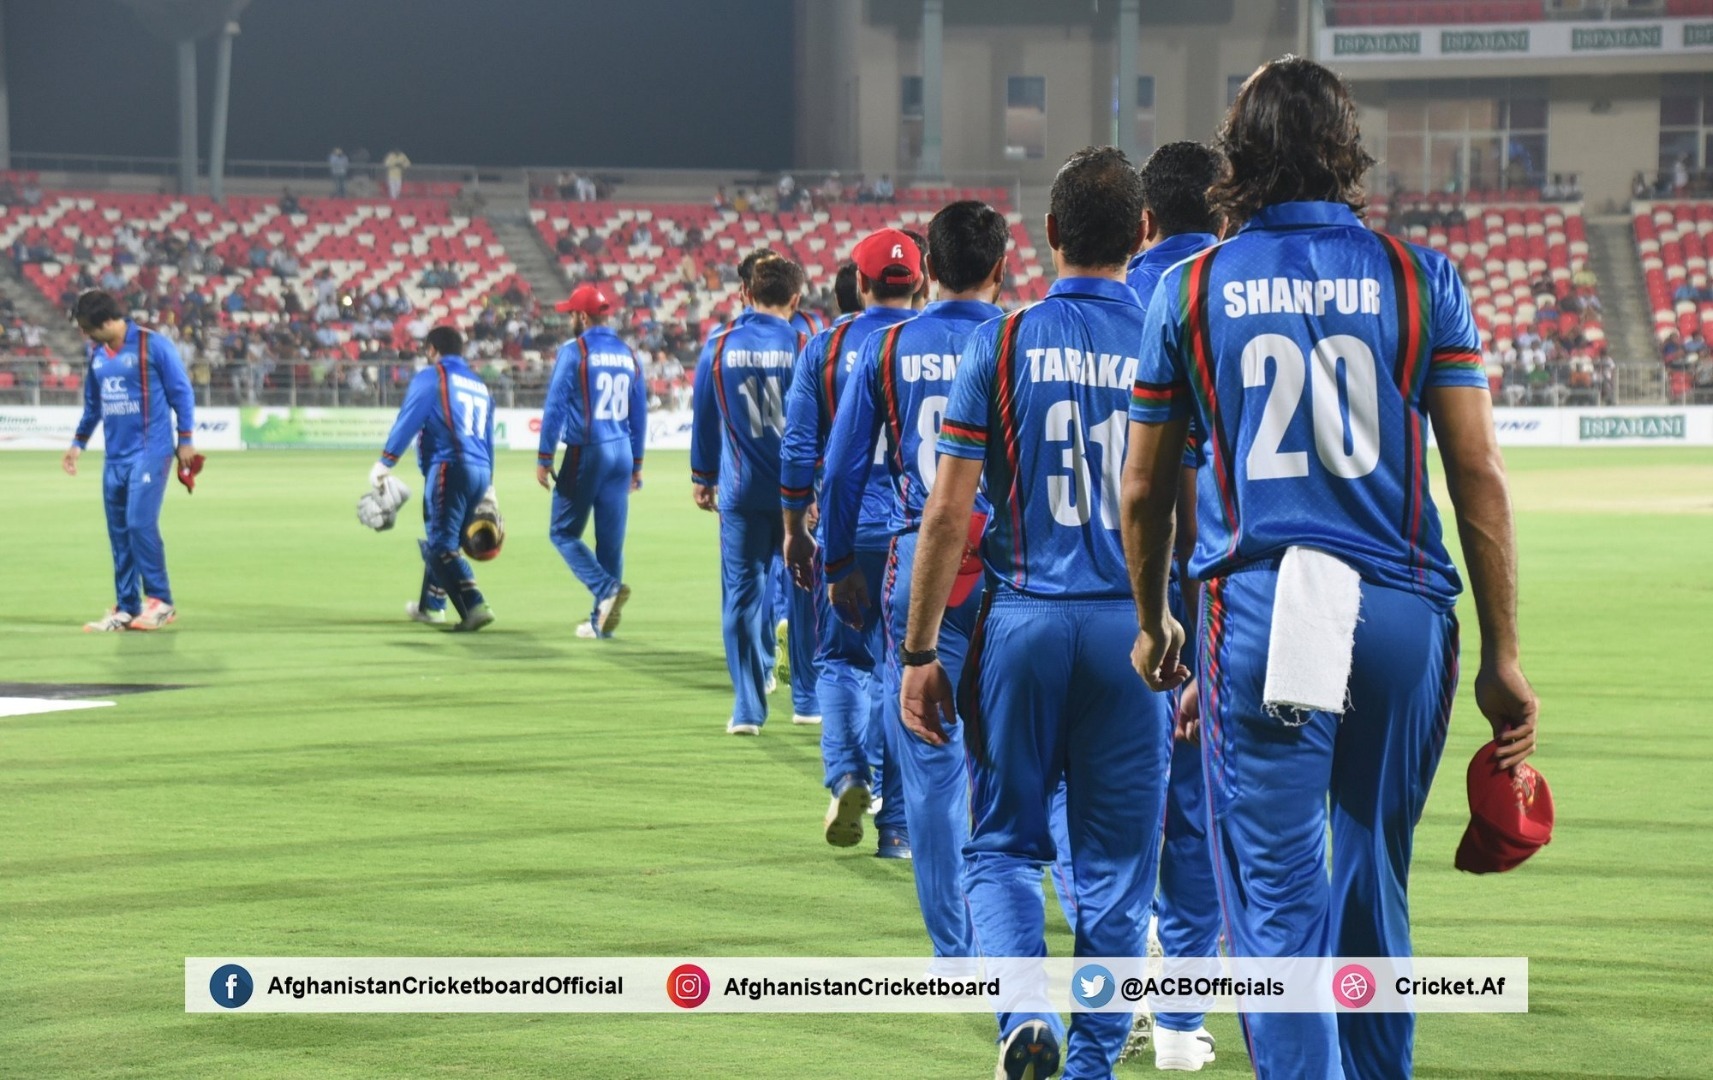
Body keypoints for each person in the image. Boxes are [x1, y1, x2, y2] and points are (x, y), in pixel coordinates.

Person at [1122, 57, 1539, 1080]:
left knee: (1274, 907)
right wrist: (1504, 655)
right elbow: (1477, 473)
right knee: (1371, 881)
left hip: (1265, 612)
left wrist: (1154, 617)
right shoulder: (1420, 274)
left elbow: (1142, 489)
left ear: (1240, 152)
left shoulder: (1192, 285)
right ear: (1345, 144)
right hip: (1401, 611)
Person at [899, 147, 1173, 1079]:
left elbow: (946, 513)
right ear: (1142, 234)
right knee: (1114, 880)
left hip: (1020, 623)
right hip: (1136, 634)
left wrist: (920, 650)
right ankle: (1092, 1065)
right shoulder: (1168, 334)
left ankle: (1024, 1015)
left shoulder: (1001, 342)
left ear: (1049, 235)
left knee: (1005, 845)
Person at [818, 200, 1006, 965]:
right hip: (1012, 571)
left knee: (930, 765)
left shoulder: (887, 346)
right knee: (1020, 759)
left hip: (917, 570)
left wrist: (834, 565)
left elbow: (838, 469)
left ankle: (956, 954)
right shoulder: (1017, 336)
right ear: (1001, 267)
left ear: (929, 270)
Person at [1116, 139, 1227, 1072]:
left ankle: (1116, 984)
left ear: (1142, 220)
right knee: (1198, 806)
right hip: (1224, 582)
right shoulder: (1233, 288)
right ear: (1222, 211)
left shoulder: (1090, 303)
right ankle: (1184, 1018)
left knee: (1104, 803)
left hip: (1091, 585)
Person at [781, 230, 919, 854]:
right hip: (916, 530)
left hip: (845, 526)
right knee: (903, 668)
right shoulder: (934, 340)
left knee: (839, 660)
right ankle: (897, 826)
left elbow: (800, 448)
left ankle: (847, 775)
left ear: (859, 286)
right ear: (916, 282)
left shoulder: (825, 348)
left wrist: (794, 530)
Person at [691, 255, 807, 733]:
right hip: (796, 492)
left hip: (739, 489)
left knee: (741, 595)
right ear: (796, 299)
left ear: (744, 294)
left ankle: (748, 706)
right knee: (804, 592)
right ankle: (808, 699)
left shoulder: (717, 346)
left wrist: (703, 475)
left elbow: (703, 416)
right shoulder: (805, 342)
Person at [63, 289, 198, 632]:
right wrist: (77, 443)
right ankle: (126, 606)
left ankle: (161, 601)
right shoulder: (97, 354)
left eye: (87, 327)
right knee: (119, 532)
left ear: (108, 321)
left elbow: (181, 391)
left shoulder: (152, 345)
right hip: (115, 457)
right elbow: (94, 406)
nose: (85, 334)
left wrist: (185, 439)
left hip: (150, 451)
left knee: (139, 523)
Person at [537, 284, 646, 639]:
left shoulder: (576, 350)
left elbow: (555, 406)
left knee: (562, 531)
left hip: (588, 448)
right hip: (622, 452)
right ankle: (601, 623)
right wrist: (638, 462)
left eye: (571, 313)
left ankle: (605, 591)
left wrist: (544, 456)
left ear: (582, 316)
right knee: (610, 543)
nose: (570, 319)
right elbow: (639, 412)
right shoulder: (629, 354)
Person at [372, 324, 495, 632]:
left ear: (431, 350)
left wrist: (386, 462)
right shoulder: (479, 385)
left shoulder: (434, 376)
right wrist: (490, 484)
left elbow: (409, 419)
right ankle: (432, 607)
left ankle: (474, 604)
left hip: (449, 465)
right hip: (479, 469)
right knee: (449, 540)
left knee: (441, 544)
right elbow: (488, 437)